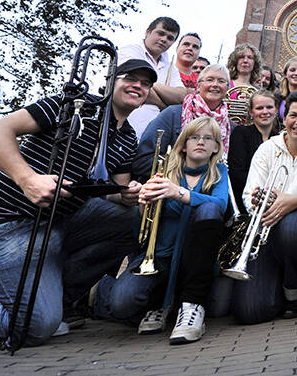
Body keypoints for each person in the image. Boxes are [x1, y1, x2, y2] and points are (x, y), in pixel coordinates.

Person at [0, 59, 156, 346]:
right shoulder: (72, 105)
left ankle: (58, 301)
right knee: (35, 327)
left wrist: (128, 194)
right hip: (3, 225)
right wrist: (28, 179)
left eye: (145, 84)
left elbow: (114, 193)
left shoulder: (128, 136)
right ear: (110, 81)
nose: (138, 86)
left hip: (55, 225)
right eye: (130, 78)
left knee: (131, 221)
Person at [93, 117, 229, 345]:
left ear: (216, 147)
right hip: (160, 257)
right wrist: (142, 205)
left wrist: (177, 193)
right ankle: (107, 291)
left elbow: (220, 204)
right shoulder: (163, 172)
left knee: (208, 209)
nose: (200, 142)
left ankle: (187, 306)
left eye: (208, 138)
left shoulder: (219, 172)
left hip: (195, 260)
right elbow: (141, 231)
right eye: (194, 137)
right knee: (121, 305)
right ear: (184, 144)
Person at [211, 90, 297, 322]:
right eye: (293, 115)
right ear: (284, 118)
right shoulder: (268, 148)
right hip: (268, 229)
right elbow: (248, 195)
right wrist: (257, 201)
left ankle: (295, 291)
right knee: (249, 311)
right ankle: (279, 288)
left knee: (293, 225)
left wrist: (295, 200)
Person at [131, 64, 232, 184]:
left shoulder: (231, 128)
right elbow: (142, 161)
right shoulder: (173, 114)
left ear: (227, 89)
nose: (215, 85)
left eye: (221, 81)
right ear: (198, 86)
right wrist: (188, 169)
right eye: (210, 80)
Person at [118, 17, 188, 138]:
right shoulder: (131, 52)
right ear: (148, 32)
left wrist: (148, 86)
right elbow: (132, 88)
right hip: (122, 129)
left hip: (152, 138)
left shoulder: (170, 65)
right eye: (161, 33)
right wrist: (166, 105)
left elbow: (182, 96)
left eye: (170, 38)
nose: (164, 40)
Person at [228, 90, 278, 217]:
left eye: (269, 107)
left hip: (277, 200)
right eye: (259, 108)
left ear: (276, 109)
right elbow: (236, 172)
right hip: (247, 200)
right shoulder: (241, 133)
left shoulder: (281, 138)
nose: (265, 112)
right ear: (251, 112)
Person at [226, 43, 263, 127]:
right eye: (241, 57)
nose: (245, 61)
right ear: (235, 61)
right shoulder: (225, 84)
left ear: (255, 63)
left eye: (250, 58)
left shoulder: (258, 91)